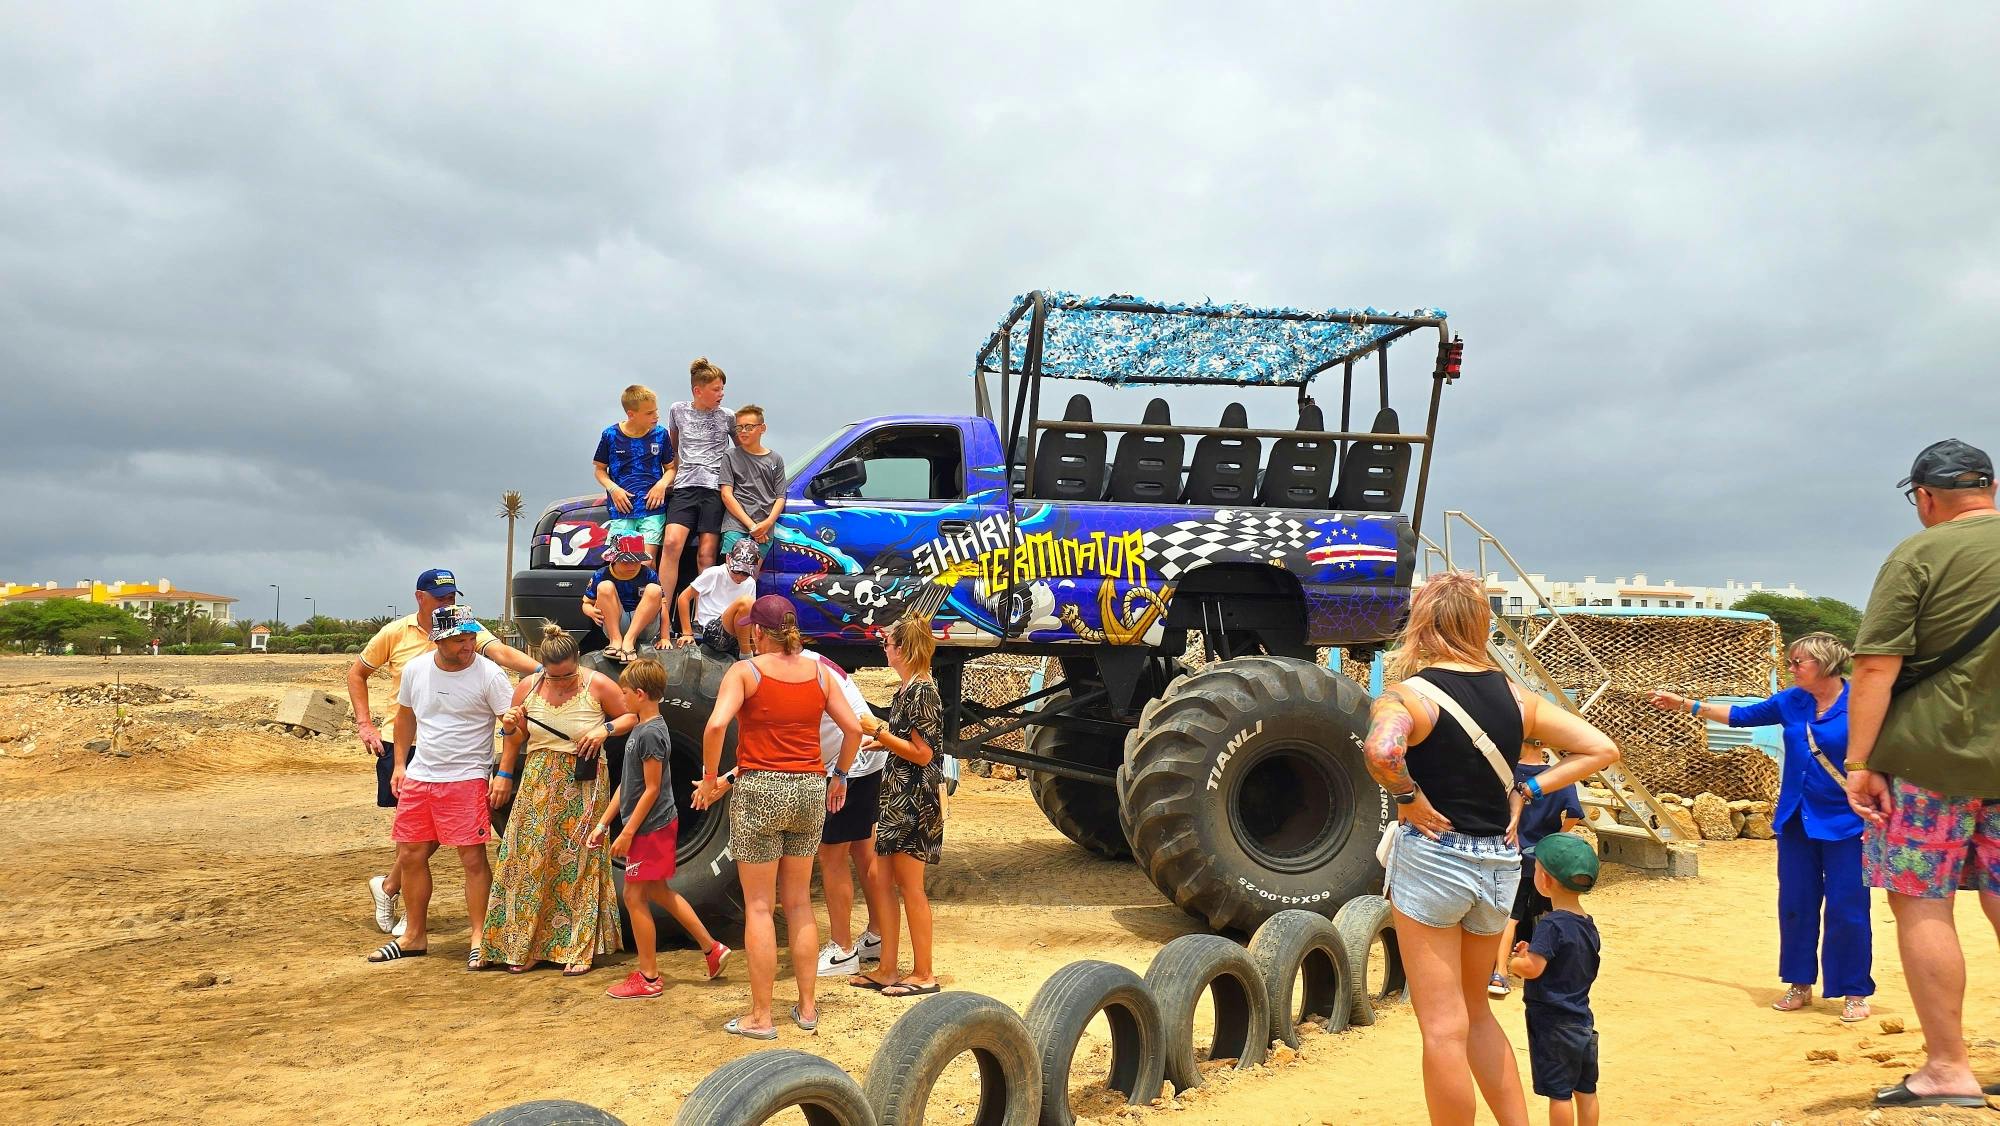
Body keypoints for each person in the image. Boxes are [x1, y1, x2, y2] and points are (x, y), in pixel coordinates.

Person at [1361, 571, 1620, 1126]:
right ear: (1480, 626)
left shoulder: (1411, 695)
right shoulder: (1516, 697)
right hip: (1498, 864)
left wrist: (1407, 796)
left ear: (1423, 624)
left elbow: (1383, 751)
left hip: (1434, 859)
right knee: (1476, 1011)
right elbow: (1601, 748)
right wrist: (1528, 788)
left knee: (1441, 1026)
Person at [1843, 439, 2000, 1110]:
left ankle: (1947, 1068)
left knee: (1921, 899)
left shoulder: (1918, 555)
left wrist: (1858, 763)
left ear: (1926, 497)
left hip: (1927, 761)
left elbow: (1875, 666)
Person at [1649, 632, 1874, 1021]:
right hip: (1795, 821)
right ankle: (1799, 983)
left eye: (1796, 662)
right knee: (1796, 905)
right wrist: (1687, 705)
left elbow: (1881, 759)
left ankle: (1853, 991)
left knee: (1848, 907)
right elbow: (1741, 716)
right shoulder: (1792, 701)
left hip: (1847, 822)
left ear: (1822, 664)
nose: (1790, 668)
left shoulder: (1862, 704)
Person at [693, 594, 862, 1039]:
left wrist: (711, 778)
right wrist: (840, 774)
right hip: (809, 788)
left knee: (760, 907)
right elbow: (856, 728)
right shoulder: (822, 673)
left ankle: (761, 1016)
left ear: (760, 632)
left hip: (761, 789)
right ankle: (806, 1008)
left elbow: (714, 726)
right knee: (801, 903)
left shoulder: (746, 671)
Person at [348, 568, 539, 936]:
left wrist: (548, 669)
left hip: (462, 763)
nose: (448, 601)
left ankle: (393, 891)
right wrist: (368, 728)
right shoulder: (397, 637)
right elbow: (362, 678)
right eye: (441, 597)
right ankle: (406, 910)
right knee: (414, 843)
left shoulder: (476, 650)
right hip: (408, 747)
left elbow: (500, 656)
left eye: (452, 595)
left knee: (454, 846)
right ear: (421, 598)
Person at [367, 606, 520, 967]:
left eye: (471, 639)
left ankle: (480, 938)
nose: (469, 646)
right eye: (460, 640)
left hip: (467, 776)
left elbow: (513, 727)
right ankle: (413, 936)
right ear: (438, 639)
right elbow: (405, 717)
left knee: (472, 858)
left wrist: (504, 774)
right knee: (411, 855)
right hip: (421, 776)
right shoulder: (416, 670)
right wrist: (401, 764)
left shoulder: (490, 675)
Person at [480, 623, 630, 976]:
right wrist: (504, 765)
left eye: (567, 676)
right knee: (528, 862)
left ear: (577, 662)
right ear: (541, 665)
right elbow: (514, 739)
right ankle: (528, 945)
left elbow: (633, 715)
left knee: (578, 863)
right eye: (554, 676)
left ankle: (576, 947)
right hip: (537, 779)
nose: (561, 682)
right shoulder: (527, 688)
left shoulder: (598, 684)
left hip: (583, 782)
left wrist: (604, 728)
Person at [589, 658, 730, 998]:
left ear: (639, 693)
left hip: (650, 828)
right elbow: (629, 784)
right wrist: (604, 823)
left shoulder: (651, 733)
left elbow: (652, 789)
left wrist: (626, 832)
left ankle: (649, 977)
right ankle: (712, 948)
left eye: (624, 693)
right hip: (652, 826)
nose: (621, 700)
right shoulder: (642, 728)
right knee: (658, 892)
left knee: (634, 896)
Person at [847, 613, 946, 998]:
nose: (884, 649)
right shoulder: (907, 689)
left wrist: (879, 732)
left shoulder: (921, 691)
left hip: (913, 800)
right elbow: (908, 744)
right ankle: (888, 968)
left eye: (887, 644)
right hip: (897, 798)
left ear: (901, 649)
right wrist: (883, 740)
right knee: (881, 879)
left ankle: (924, 973)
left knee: (910, 886)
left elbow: (923, 755)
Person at [1507, 833, 1604, 1126]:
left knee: (1559, 1094)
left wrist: (1514, 963)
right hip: (1582, 1020)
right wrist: (1532, 951)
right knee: (1585, 1089)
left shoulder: (1551, 923)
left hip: (1553, 1024)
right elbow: (1562, 960)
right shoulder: (1587, 925)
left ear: (1545, 881)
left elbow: (1533, 969)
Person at [808, 649, 888, 977]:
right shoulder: (812, 659)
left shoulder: (801, 670)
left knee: (831, 857)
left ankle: (842, 950)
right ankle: (878, 936)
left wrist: (838, 775)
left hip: (848, 765)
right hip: (865, 760)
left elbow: (850, 728)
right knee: (863, 850)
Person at [1489, 739, 1585, 1000]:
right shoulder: (1557, 775)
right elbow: (1575, 814)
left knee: (1510, 915)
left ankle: (1499, 974)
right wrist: (1554, 840)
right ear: (1543, 744)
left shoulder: (1507, 772)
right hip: (1545, 860)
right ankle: (1550, 967)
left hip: (1512, 855)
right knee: (1552, 912)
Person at [659, 357, 734, 604]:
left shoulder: (727, 416)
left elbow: (741, 450)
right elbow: (672, 447)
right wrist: (667, 478)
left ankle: (704, 618)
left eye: (722, 389)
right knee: (671, 544)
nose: (721, 394)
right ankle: (661, 613)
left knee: (706, 554)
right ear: (698, 391)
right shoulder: (678, 410)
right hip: (684, 487)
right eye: (716, 389)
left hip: (714, 489)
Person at [593, 383, 674, 569]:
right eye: (649, 413)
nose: (656, 416)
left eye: (656, 411)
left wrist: (661, 485)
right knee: (620, 563)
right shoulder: (610, 435)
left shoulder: (661, 434)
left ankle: (648, 597)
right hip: (621, 508)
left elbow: (671, 468)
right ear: (631, 414)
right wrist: (613, 489)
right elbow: (599, 470)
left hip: (652, 508)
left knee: (646, 562)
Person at [720, 404, 787, 560]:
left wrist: (767, 524)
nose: (743, 431)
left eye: (749, 427)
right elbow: (726, 494)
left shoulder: (775, 459)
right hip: (736, 524)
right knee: (734, 573)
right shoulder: (730, 456)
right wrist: (752, 526)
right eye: (739, 427)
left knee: (751, 577)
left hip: (764, 527)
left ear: (762, 428)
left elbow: (780, 496)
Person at [675, 537, 760, 654]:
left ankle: (749, 650)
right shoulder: (715, 573)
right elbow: (684, 598)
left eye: (745, 573)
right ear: (728, 559)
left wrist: (756, 646)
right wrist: (687, 633)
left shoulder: (750, 582)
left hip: (737, 634)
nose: (740, 576)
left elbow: (750, 618)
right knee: (746, 602)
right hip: (712, 630)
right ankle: (746, 655)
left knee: (752, 610)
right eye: (736, 571)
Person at [587, 535, 663, 662]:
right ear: (614, 559)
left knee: (655, 589)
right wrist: (591, 611)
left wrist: (665, 636)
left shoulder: (648, 574)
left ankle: (629, 640)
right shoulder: (601, 574)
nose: (632, 566)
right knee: (605, 587)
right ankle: (616, 641)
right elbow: (586, 603)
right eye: (626, 562)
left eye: (636, 561)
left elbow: (663, 605)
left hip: (644, 625)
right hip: (615, 622)